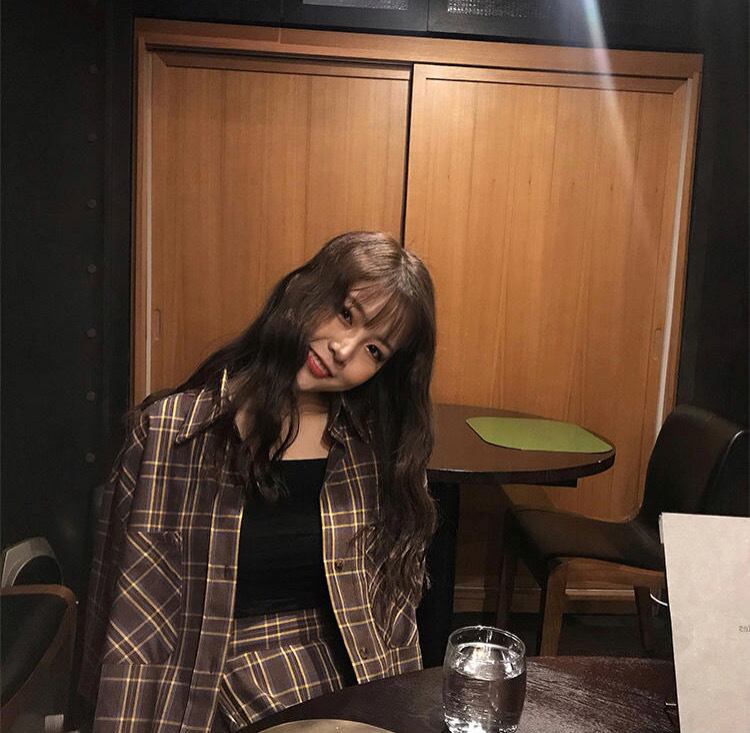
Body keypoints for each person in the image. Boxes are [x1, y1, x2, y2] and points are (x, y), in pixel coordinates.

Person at [79, 231, 438, 733]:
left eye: (373, 350)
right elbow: (115, 597)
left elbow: (391, 616)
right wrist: (88, 710)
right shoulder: (168, 432)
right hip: (191, 677)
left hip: (337, 673)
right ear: (306, 289)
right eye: (345, 314)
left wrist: (402, 712)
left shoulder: (372, 452)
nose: (342, 350)